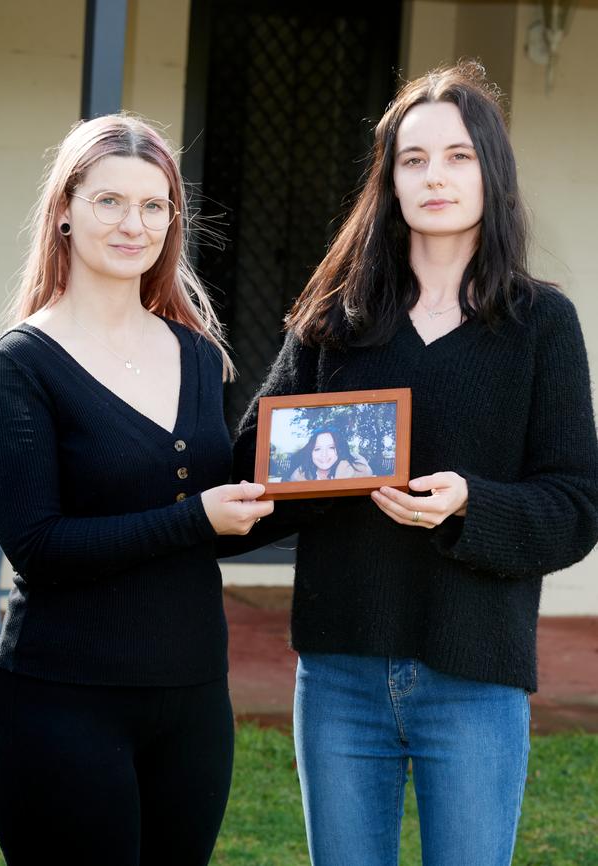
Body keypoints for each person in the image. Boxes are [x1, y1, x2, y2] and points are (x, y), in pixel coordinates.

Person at [226, 62, 598, 866]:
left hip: (475, 677)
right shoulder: (335, 321)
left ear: (492, 173)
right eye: (413, 158)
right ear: (389, 180)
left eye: (459, 155)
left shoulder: (541, 325)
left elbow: (575, 507)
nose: (436, 176)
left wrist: (471, 505)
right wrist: (321, 478)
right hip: (339, 676)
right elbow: (255, 476)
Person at [0, 114, 272, 866]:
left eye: (153, 205)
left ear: (173, 220)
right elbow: (37, 547)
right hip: (63, 702)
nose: (132, 224)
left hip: (194, 700)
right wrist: (193, 517)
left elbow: (218, 509)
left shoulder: (197, 354)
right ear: (66, 210)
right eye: (110, 201)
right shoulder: (25, 363)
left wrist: (331, 484)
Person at [287, 428, 372, 480]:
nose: (324, 454)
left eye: (331, 448)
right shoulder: (298, 478)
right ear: (310, 453)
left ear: (340, 450)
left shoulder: (357, 473)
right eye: (317, 449)